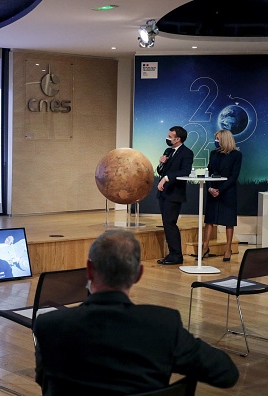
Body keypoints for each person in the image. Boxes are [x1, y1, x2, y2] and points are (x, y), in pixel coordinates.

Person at [33, 229, 239, 395]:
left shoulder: (50, 326)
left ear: (89, 269)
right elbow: (226, 373)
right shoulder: (163, 326)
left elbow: (46, 384)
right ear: (138, 274)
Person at [201, 129, 242, 262]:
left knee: (229, 222)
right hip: (213, 189)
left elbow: (234, 176)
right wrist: (210, 188)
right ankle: (205, 247)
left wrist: (220, 190)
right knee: (209, 220)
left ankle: (228, 249)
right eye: (216, 139)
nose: (216, 141)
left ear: (225, 139)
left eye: (218, 139)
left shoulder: (236, 155)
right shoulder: (213, 154)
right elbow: (208, 172)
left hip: (227, 191)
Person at [156, 126, 194, 265]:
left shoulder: (187, 153)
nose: (168, 138)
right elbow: (161, 171)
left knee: (170, 223)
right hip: (164, 192)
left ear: (178, 139)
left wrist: (166, 178)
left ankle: (176, 255)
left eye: (170, 136)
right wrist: (161, 163)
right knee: (166, 223)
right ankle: (172, 254)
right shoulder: (168, 151)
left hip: (174, 193)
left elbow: (185, 171)